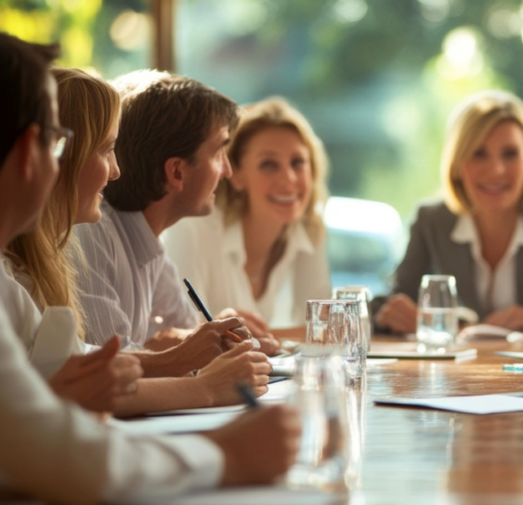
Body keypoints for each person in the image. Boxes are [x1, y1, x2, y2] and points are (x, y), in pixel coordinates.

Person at [0, 31, 298, 505]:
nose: (114, 171)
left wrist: (175, 363)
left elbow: (72, 363)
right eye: (59, 144)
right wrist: (225, 450)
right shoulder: (86, 243)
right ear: (27, 153)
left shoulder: (6, 287)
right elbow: (56, 450)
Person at [2, 67, 271, 417]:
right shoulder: (83, 241)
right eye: (105, 150)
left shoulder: (44, 264)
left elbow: (80, 369)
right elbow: (79, 392)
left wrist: (191, 349)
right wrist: (200, 384)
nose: (115, 171)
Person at [73, 70, 281, 359]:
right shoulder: (91, 237)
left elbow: (177, 332)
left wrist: (217, 332)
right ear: (177, 172)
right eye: (220, 152)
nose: (228, 171)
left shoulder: (147, 242)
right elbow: (111, 363)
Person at [375, 90, 523, 334]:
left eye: (510, 154)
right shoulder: (432, 220)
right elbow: (387, 306)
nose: (496, 170)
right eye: (478, 154)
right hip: (461, 369)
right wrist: (405, 317)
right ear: (457, 163)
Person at [164, 98, 331, 339]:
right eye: (269, 164)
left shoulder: (309, 228)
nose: (289, 179)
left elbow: (322, 329)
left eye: (298, 163)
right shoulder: (194, 230)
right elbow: (175, 340)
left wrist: (254, 337)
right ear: (236, 174)